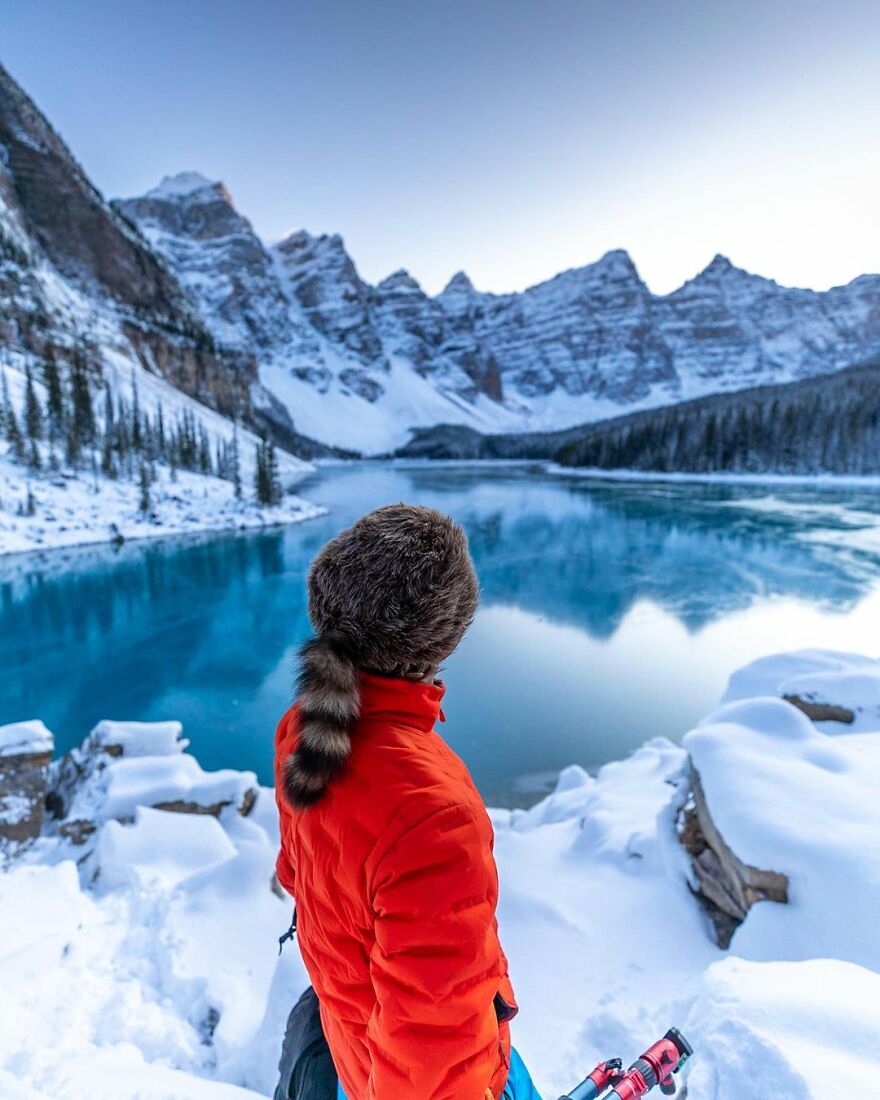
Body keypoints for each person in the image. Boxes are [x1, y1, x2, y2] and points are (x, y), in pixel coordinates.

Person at [274, 504, 541, 1100]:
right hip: (400, 1075)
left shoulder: (304, 726)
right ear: (443, 635)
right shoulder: (432, 809)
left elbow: (298, 869)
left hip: (352, 1036)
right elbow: (432, 1056)